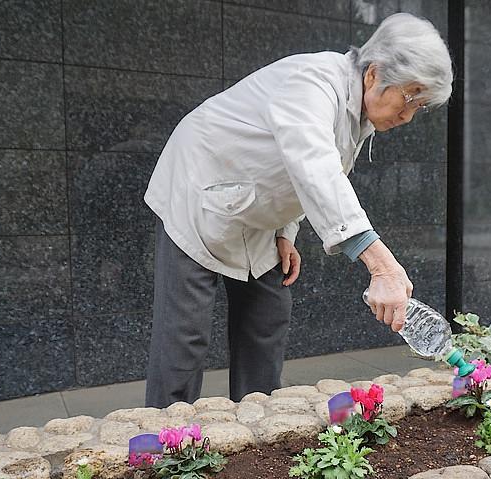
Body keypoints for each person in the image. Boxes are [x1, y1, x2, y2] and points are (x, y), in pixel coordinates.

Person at [143, 12, 454, 408]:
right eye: (409, 98)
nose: (408, 116)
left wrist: (284, 232)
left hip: (252, 209)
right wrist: (382, 266)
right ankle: (164, 438)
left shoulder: (358, 112)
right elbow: (314, 167)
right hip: (198, 191)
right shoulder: (312, 83)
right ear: (374, 74)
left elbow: (296, 176)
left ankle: (258, 423)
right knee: (185, 334)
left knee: (268, 315)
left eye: (419, 106)